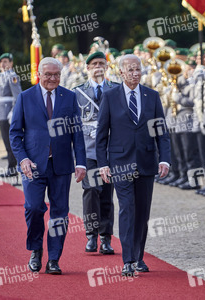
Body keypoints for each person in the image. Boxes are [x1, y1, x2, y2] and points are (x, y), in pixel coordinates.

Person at [9, 57, 87, 275]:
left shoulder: (69, 97)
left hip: (61, 165)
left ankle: (54, 258)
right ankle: (35, 250)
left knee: (60, 213)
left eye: (56, 75)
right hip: (32, 165)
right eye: (48, 74)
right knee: (34, 208)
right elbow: (15, 133)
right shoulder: (25, 98)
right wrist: (23, 159)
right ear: (39, 74)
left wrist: (81, 162)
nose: (53, 78)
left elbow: (77, 134)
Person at [96, 54, 171, 276]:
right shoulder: (110, 97)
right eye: (130, 70)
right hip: (119, 163)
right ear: (121, 73)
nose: (135, 73)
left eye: (138, 69)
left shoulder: (152, 96)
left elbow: (161, 133)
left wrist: (164, 158)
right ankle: (127, 260)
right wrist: (103, 164)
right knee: (127, 209)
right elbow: (101, 135)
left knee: (142, 212)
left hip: (146, 162)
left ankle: (139, 256)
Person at [74, 51, 118, 254]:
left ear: (107, 67)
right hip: (89, 150)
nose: (98, 67)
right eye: (94, 64)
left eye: (102, 63)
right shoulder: (77, 92)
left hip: (110, 150)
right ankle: (91, 234)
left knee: (107, 194)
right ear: (88, 68)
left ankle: (106, 237)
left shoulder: (116, 90)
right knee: (91, 191)